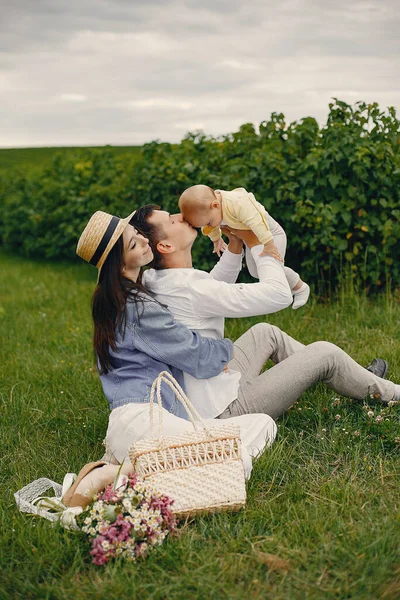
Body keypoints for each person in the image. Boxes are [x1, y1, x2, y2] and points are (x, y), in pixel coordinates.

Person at [63, 210, 277, 508]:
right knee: (257, 430)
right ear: (121, 262)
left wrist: (230, 249)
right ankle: (114, 473)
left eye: (137, 234)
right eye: (134, 244)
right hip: (146, 422)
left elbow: (197, 287)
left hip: (132, 423)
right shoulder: (137, 306)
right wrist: (225, 351)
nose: (143, 240)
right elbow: (196, 354)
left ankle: (132, 470)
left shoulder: (120, 296)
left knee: (255, 428)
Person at [132, 204, 399, 423]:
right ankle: (391, 393)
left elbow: (211, 289)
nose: (181, 216)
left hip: (210, 387)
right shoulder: (191, 288)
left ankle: (352, 376)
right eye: (172, 220)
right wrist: (259, 244)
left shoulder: (158, 277)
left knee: (265, 332)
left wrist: (235, 244)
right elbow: (279, 294)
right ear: (165, 246)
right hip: (223, 411)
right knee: (324, 352)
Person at [179, 184, 310, 309]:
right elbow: (208, 227)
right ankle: (297, 286)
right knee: (255, 272)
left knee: (275, 267)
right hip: (253, 237)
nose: (209, 225)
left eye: (208, 222)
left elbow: (257, 221)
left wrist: (269, 244)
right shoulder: (210, 210)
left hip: (270, 234)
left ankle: (300, 288)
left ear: (215, 205)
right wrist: (216, 239)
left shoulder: (237, 203)